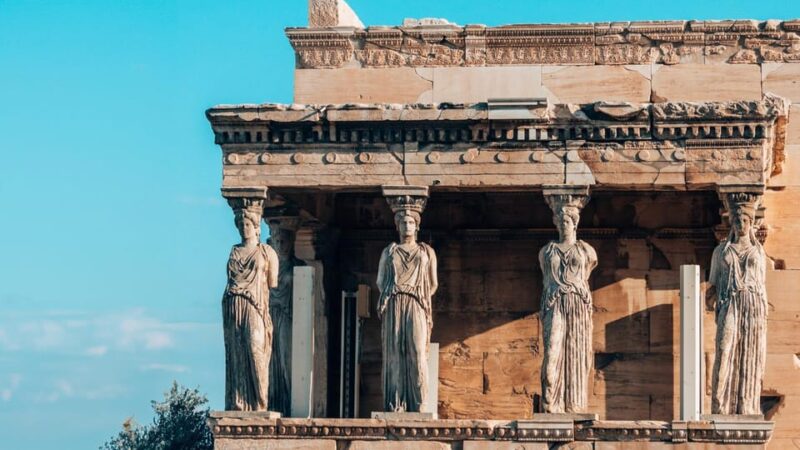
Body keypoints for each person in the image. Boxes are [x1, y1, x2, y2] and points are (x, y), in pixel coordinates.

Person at [708, 193, 767, 415]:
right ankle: (720, 406)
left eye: (745, 220)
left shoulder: (758, 251)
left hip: (753, 304)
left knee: (750, 353)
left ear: (751, 223)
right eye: (736, 220)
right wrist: (707, 297)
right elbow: (713, 284)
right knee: (724, 350)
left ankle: (746, 406)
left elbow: (761, 283)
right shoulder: (721, 251)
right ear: (731, 223)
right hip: (729, 302)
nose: (741, 224)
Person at [376, 205, 438, 413]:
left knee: (418, 350)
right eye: (403, 222)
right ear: (397, 225)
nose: (407, 225)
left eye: (411, 222)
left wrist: (419, 297)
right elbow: (379, 281)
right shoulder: (389, 251)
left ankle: (420, 403)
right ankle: (395, 404)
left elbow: (433, 283)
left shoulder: (426, 251)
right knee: (394, 352)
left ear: (417, 226)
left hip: (417, 302)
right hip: (394, 302)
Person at [539, 195, 597, 413]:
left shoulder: (586, 251)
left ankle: (574, 406)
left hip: (578, 303)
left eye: (567, 221)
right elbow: (547, 280)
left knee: (577, 354)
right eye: (560, 221)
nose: (563, 225)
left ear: (575, 223)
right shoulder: (546, 252)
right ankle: (551, 402)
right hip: (554, 303)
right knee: (551, 355)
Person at [222, 202, 279, 411]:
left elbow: (273, 283)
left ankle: (260, 402)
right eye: (241, 224)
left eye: (247, 224)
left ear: (257, 226)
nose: (244, 228)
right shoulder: (234, 251)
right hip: (234, 304)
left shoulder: (267, 252)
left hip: (256, 306)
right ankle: (240, 403)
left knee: (256, 350)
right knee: (238, 354)